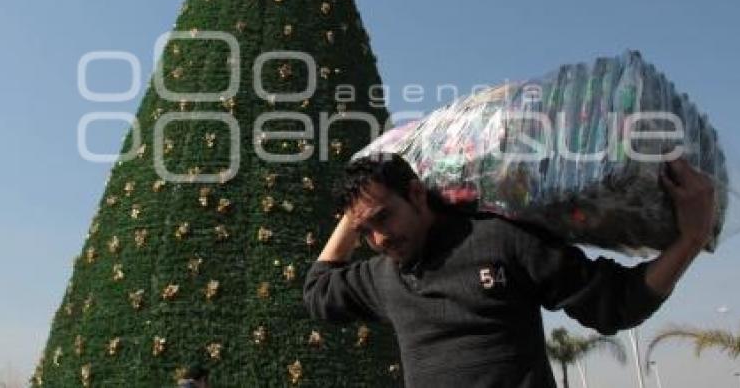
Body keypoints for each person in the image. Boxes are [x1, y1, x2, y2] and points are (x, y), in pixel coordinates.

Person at [303, 153, 716, 387]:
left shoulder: (501, 240)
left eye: (384, 218)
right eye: (366, 231)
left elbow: (616, 305)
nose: (379, 239)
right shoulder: (384, 277)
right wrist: (354, 212)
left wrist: (691, 239)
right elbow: (318, 292)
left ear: (416, 193)